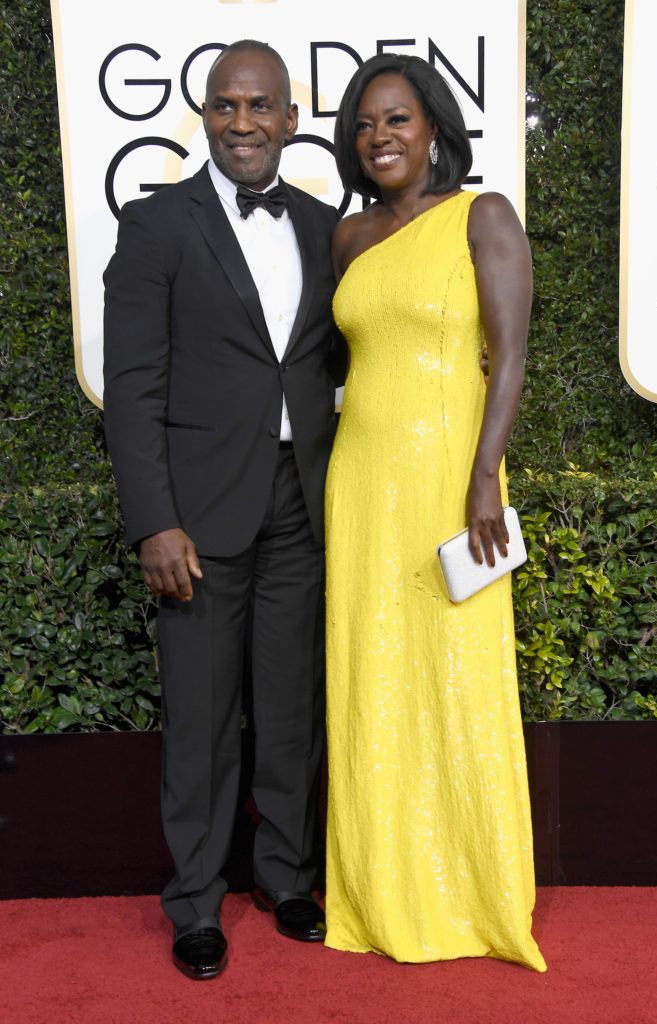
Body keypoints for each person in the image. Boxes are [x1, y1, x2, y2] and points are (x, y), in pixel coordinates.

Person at [103, 40, 343, 980]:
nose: (242, 123)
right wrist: (152, 519)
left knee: (289, 709)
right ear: (205, 116)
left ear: (289, 120)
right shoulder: (158, 222)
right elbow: (131, 385)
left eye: (260, 107)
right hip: (195, 516)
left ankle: (286, 878)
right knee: (201, 718)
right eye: (224, 105)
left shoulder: (327, 227)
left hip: (301, 502)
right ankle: (196, 901)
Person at [323, 53, 546, 970]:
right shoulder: (347, 238)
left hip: (449, 485)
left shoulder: (481, 215)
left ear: (434, 129)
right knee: (369, 678)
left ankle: (474, 892)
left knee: (455, 673)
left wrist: (484, 472)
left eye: (397, 120)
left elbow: (511, 353)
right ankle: (380, 887)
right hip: (359, 487)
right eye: (366, 124)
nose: (380, 136)